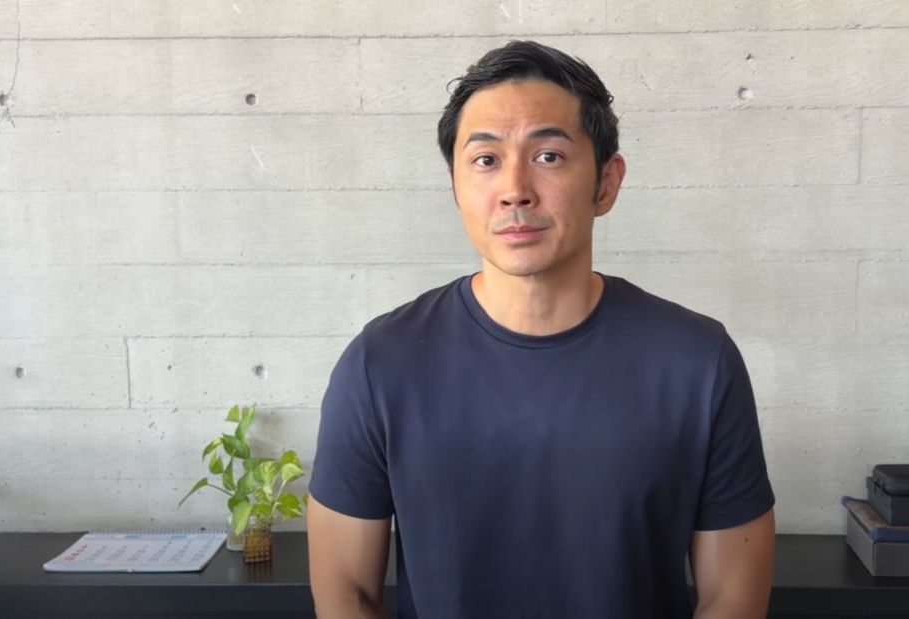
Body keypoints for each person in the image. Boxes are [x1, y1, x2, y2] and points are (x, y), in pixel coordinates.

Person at [307, 40, 776, 619]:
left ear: (606, 183)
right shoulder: (379, 364)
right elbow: (346, 595)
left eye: (549, 156)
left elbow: (732, 599)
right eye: (485, 160)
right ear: (455, 185)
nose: (515, 190)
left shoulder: (699, 362)